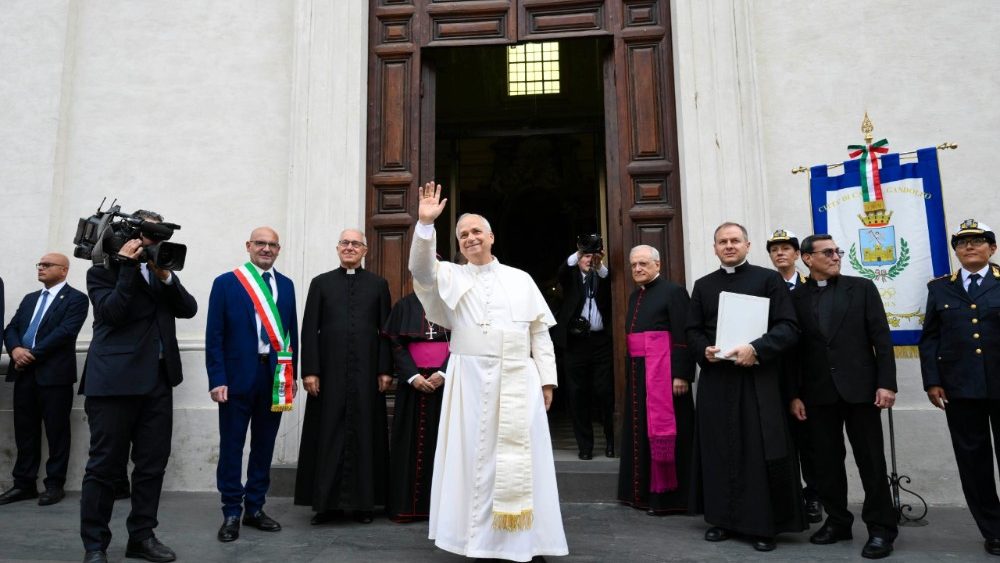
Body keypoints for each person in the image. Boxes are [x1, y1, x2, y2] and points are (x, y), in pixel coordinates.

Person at [409, 182, 568, 561]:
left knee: (523, 460)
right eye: (463, 234)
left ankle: (527, 542)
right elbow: (421, 270)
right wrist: (426, 225)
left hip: (518, 377)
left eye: (477, 231)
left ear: (492, 237)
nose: (470, 238)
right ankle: (474, 541)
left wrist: (547, 380)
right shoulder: (449, 275)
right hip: (468, 381)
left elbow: (539, 333)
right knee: (472, 461)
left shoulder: (520, 279)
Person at [79, 209, 198, 563]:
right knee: (104, 467)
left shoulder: (160, 272)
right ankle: (95, 545)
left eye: (160, 238)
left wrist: (166, 277)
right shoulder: (101, 272)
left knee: (151, 466)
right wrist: (127, 267)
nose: (154, 244)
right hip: (113, 383)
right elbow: (112, 313)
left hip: (158, 383)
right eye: (150, 237)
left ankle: (142, 537)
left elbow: (188, 309)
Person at [687, 222, 805, 552]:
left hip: (757, 378)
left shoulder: (768, 280)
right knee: (718, 448)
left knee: (757, 450)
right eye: (722, 241)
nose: (729, 246)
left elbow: (789, 327)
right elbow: (692, 330)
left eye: (735, 240)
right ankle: (721, 519)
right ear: (714, 248)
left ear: (747, 245)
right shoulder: (703, 285)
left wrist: (757, 348)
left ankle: (762, 526)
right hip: (717, 380)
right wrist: (704, 350)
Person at [789, 234, 898, 559]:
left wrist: (887, 384)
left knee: (871, 462)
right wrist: (794, 394)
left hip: (862, 391)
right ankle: (838, 522)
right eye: (828, 252)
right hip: (817, 394)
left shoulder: (861, 288)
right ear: (807, 259)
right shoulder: (794, 298)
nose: (836, 256)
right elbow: (793, 353)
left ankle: (881, 529)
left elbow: (882, 338)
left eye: (837, 251)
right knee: (825, 464)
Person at [206, 227, 298, 542]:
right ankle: (231, 511)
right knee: (232, 446)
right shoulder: (226, 283)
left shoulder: (287, 286)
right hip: (235, 379)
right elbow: (214, 335)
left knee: (264, 445)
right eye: (260, 243)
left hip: (274, 377)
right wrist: (217, 378)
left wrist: (291, 375)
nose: (266, 249)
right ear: (249, 246)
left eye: (272, 245)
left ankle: (255, 507)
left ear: (278, 249)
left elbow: (291, 334)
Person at [294, 228, 392, 524]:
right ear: (338, 248)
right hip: (329, 375)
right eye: (345, 243)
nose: (349, 247)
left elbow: (386, 332)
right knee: (328, 434)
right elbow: (309, 329)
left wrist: (385, 369)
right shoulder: (320, 283)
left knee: (365, 433)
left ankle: (364, 505)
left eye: (356, 244)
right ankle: (326, 505)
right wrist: (310, 370)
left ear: (365, 251)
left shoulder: (378, 285)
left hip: (366, 374)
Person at [919, 219, 1000, 557]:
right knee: (974, 462)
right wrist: (933, 381)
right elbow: (930, 338)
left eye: (977, 241)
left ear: (992, 248)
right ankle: (993, 529)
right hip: (961, 388)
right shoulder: (940, 289)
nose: (969, 246)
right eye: (962, 242)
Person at [0, 253, 88, 506]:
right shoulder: (30, 299)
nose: (41, 268)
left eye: (47, 265)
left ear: (64, 270)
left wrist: (31, 354)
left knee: (57, 432)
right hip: (23, 373)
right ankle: (24, 484)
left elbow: (66, 332)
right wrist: (15, 350)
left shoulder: (76, 299)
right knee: (25, 431)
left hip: (55, 376)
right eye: (40, 264)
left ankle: (54, 485)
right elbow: (11, 328)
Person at [618, 245, 695, 515]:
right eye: (634, 265)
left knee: (667, 433)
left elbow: (683, 335)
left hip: (665, 376)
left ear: (658, 265)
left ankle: (669, 499)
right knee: (640, 431)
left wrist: (682, 374)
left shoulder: (673, 292)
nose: (638, 268)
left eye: (643, 263)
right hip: (640, 374)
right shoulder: (634, 296)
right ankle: (638, 494)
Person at [766, 228, 822, 524]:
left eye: (786, 248)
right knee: (781, 441)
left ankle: (814, 496)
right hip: (775, 374)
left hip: (806, 375)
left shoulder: (810, 286)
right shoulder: (765, 286)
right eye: (774, 249)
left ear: (798, 254)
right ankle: (787, 498)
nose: (780, 253)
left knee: (809, 442)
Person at [382, 291, 449, 523]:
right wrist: (412, 375)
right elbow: (395, 343)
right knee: (407, 444)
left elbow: (464, 342)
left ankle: (442, 510)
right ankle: (405, 507)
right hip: (412, 386)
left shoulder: (454, 303)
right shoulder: (404, 305)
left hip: (446, 386)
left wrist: (444, 373)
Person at [552, 233, 614, 460]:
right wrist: (579, 252)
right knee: (578, 394)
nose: (589, 259)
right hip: (575, 343)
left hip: (601, 343)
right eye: (585, 256)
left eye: (592, 255)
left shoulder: (603, 276)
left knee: (604, 391)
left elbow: (609, 278)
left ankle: (611, 441)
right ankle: (585, 446)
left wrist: (599, 263)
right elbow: (562, 271)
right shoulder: (571, 276)